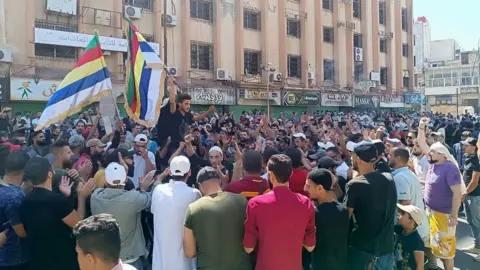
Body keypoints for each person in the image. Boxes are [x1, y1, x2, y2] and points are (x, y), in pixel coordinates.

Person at [20, 157, 95, 270]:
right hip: (63, 260)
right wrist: (81, 197)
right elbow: (80, 225)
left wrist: (65, 197)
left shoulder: (25, 200)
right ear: (50, 173)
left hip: (39, 260)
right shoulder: (57, 201)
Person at [243, 154, 316, 270]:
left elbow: (248, 247)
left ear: (270, 175)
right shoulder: (306, 203)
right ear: (290, 174)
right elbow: (310, 246)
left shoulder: (255, 204)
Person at [183, 166, 252, 270]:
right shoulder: (242, 201)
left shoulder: (193, 209)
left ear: (200, 186)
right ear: (220, 182)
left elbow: (190, 253)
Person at [90, 162, 155, 269]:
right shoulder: (133, 199)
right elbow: (147, 199)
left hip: (107, 258)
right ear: (125, 180)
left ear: (106, 180)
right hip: (130, 258)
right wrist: (143, 188)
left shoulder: (95, 197)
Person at [418, 117, 463, 270]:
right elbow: (423, 143)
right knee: (433, 245)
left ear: (443, 154)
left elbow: (457, 194)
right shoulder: (433, 163)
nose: (429, 154)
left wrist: (454, 216)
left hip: (444, 216)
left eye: (433, 152)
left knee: (446, 251)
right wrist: (421, 126)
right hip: (431, 212)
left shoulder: (450, 168)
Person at [344, 142, 397, 270]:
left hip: (364, 250)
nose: (351, 159)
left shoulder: (354, 185)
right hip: (386, 248)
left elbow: (345, 216)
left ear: (359, 160)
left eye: (353, 156)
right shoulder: (389, 179)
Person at [151, 156, 201, 270]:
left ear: (170, 172)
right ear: (189, 172)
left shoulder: (158, 190)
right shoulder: (194, 193)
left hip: (161, 261)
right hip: (184, 262)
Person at [304, 168, 349, 270]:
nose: (305, 189)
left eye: (308, 186)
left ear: (320, 188)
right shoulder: (344, 210)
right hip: (340, 265)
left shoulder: (314, 214)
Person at [388, 147, 429, 242]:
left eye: (390, 155)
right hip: (417, 227)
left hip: (411, 231)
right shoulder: (408, 173)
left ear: (397, 158)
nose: (388, 157)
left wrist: (403, 233)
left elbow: (405, 206)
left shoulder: (400, 178)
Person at [0, 151, 30, 270]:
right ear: (25, 171)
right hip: (14, 258)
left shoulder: (7, 190)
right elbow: (21, 232)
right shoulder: (14, 197)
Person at [460, 137, 480, 254]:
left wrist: (464, 193)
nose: (464, 147)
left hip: (474, 196)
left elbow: (474, 182)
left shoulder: (476, 161)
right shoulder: (469, 158)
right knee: (471, 221)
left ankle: (478, 246)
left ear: (473, 147)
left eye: (466, 145)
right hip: (469, 195)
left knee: (476, 222)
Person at [395, 204, 425, 270]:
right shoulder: (400, 229)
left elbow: (420, 267)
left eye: (402, 213)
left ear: (411, 221)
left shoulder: (417, 241)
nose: (398, 213)